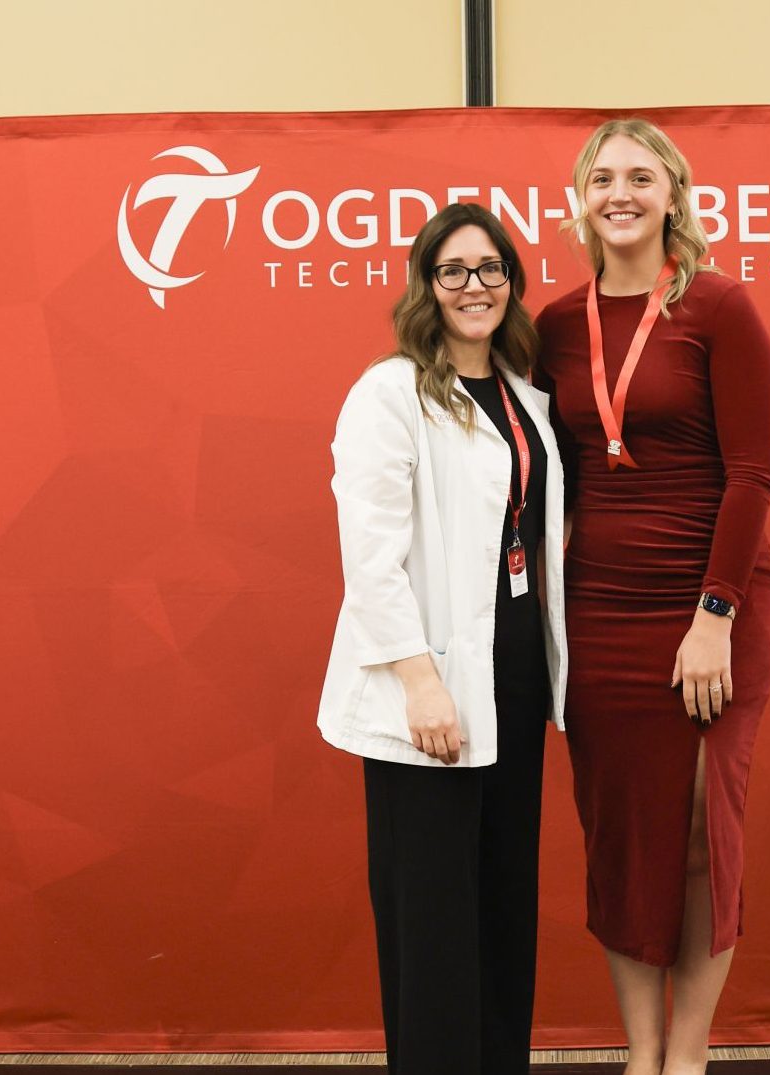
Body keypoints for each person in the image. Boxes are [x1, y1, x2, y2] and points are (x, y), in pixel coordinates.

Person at [535, 119, 770, 1075]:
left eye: (641, 176)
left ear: (674, 194)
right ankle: (638, 1055)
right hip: (597, 615)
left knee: (696, 836)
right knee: (623, 837)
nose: (621, 192)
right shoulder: (554, 325)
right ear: (581, 200)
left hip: (711, 613)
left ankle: (687, 1056)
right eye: (603, 178)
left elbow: (753, 474)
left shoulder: (719, 307)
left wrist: (712, 617)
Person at [317, 202, 567, 1075]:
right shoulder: (390, 392)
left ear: (512, 284)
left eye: (490, 269)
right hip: (428, 681)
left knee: (502, 903)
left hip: (515, 674)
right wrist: (421, 683)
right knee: (431, 921)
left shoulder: (524, 396)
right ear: (428, 283)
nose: (474, 286)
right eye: (454, 270)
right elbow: (370, 557)